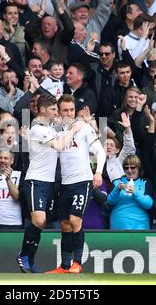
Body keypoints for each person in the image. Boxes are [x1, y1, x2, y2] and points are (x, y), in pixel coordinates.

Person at [16, 94, 84, 273]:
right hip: (36, 181)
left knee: (42, 223)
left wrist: (85, 123)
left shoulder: (48, 127)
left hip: (49, 183)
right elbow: (60, 146)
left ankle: (29, 259)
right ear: (42, 110)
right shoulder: (39, 129)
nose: (57, 113)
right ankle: (24, 255)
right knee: (39, 220)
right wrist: (74, 129)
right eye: (54, 109)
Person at [45, 94, 105, 274]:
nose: (69, 113)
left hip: (83, 181)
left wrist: (99, 172)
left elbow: (100, 152)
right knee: (64, 223)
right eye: (65, 110)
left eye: (72, 110)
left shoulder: (85, 129)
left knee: (74, 219)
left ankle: (77, 263)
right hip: (65, 184)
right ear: (59, 111)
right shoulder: (55, 130)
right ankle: (64, 266)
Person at [107, 155, 154, 230]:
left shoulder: (145, 182)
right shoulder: (117, 182)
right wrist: (117, 189)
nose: (129, 170)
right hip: (118, 224)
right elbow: (110, 201)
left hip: (140, 225)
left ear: (138, 168)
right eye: (126, 168)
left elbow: (149, 204)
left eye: (132, 167)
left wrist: (135, 192)